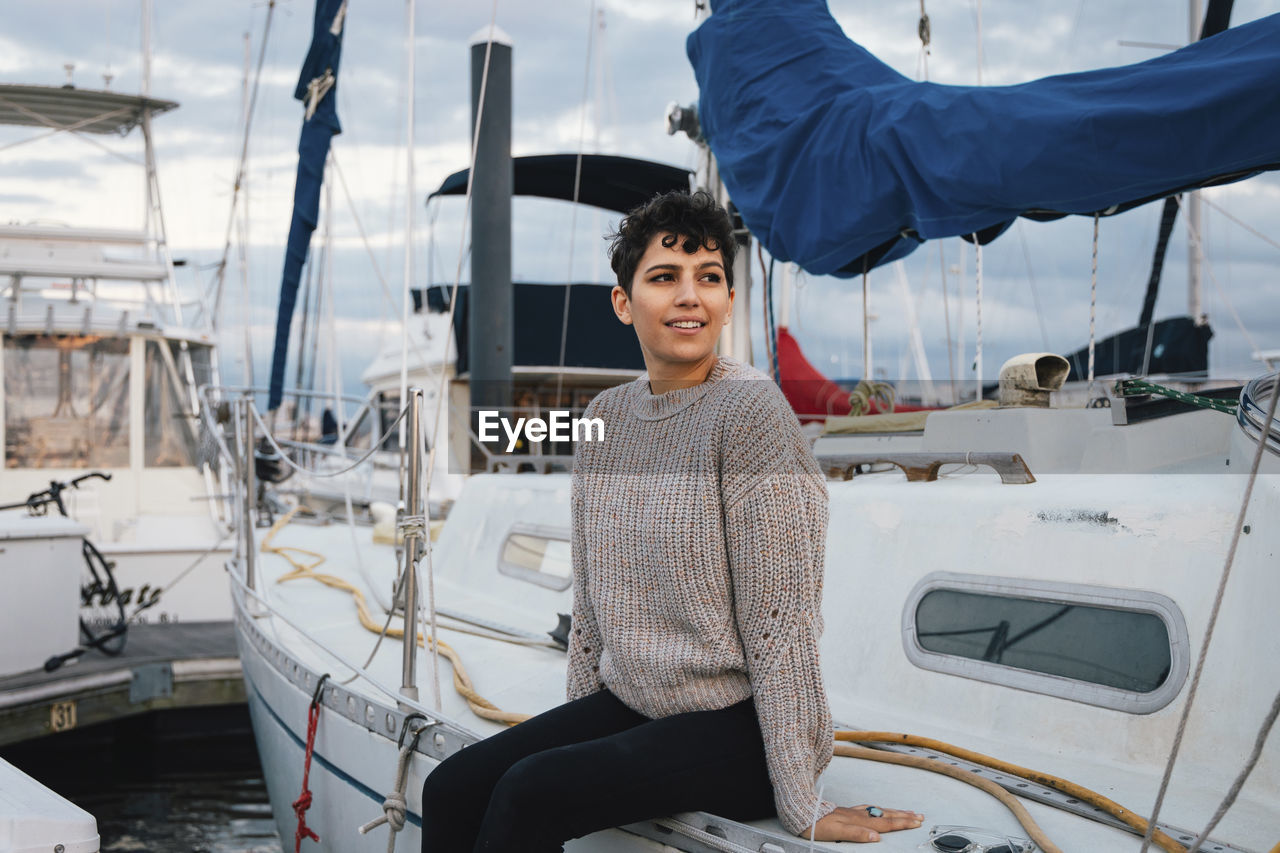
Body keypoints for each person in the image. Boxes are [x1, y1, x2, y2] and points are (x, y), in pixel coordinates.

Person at [419, 190, 922, 851]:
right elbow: (593, 605)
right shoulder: (605, 419)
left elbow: (783, 626)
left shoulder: (751, 417)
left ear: (729, 302)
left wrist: (803, 799)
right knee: (448, 787)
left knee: (529, 790)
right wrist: (576, 722)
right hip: (636, 704)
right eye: (664, 277)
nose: (691, 296)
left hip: (738, 729)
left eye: (709, 278)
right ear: (624, 302)